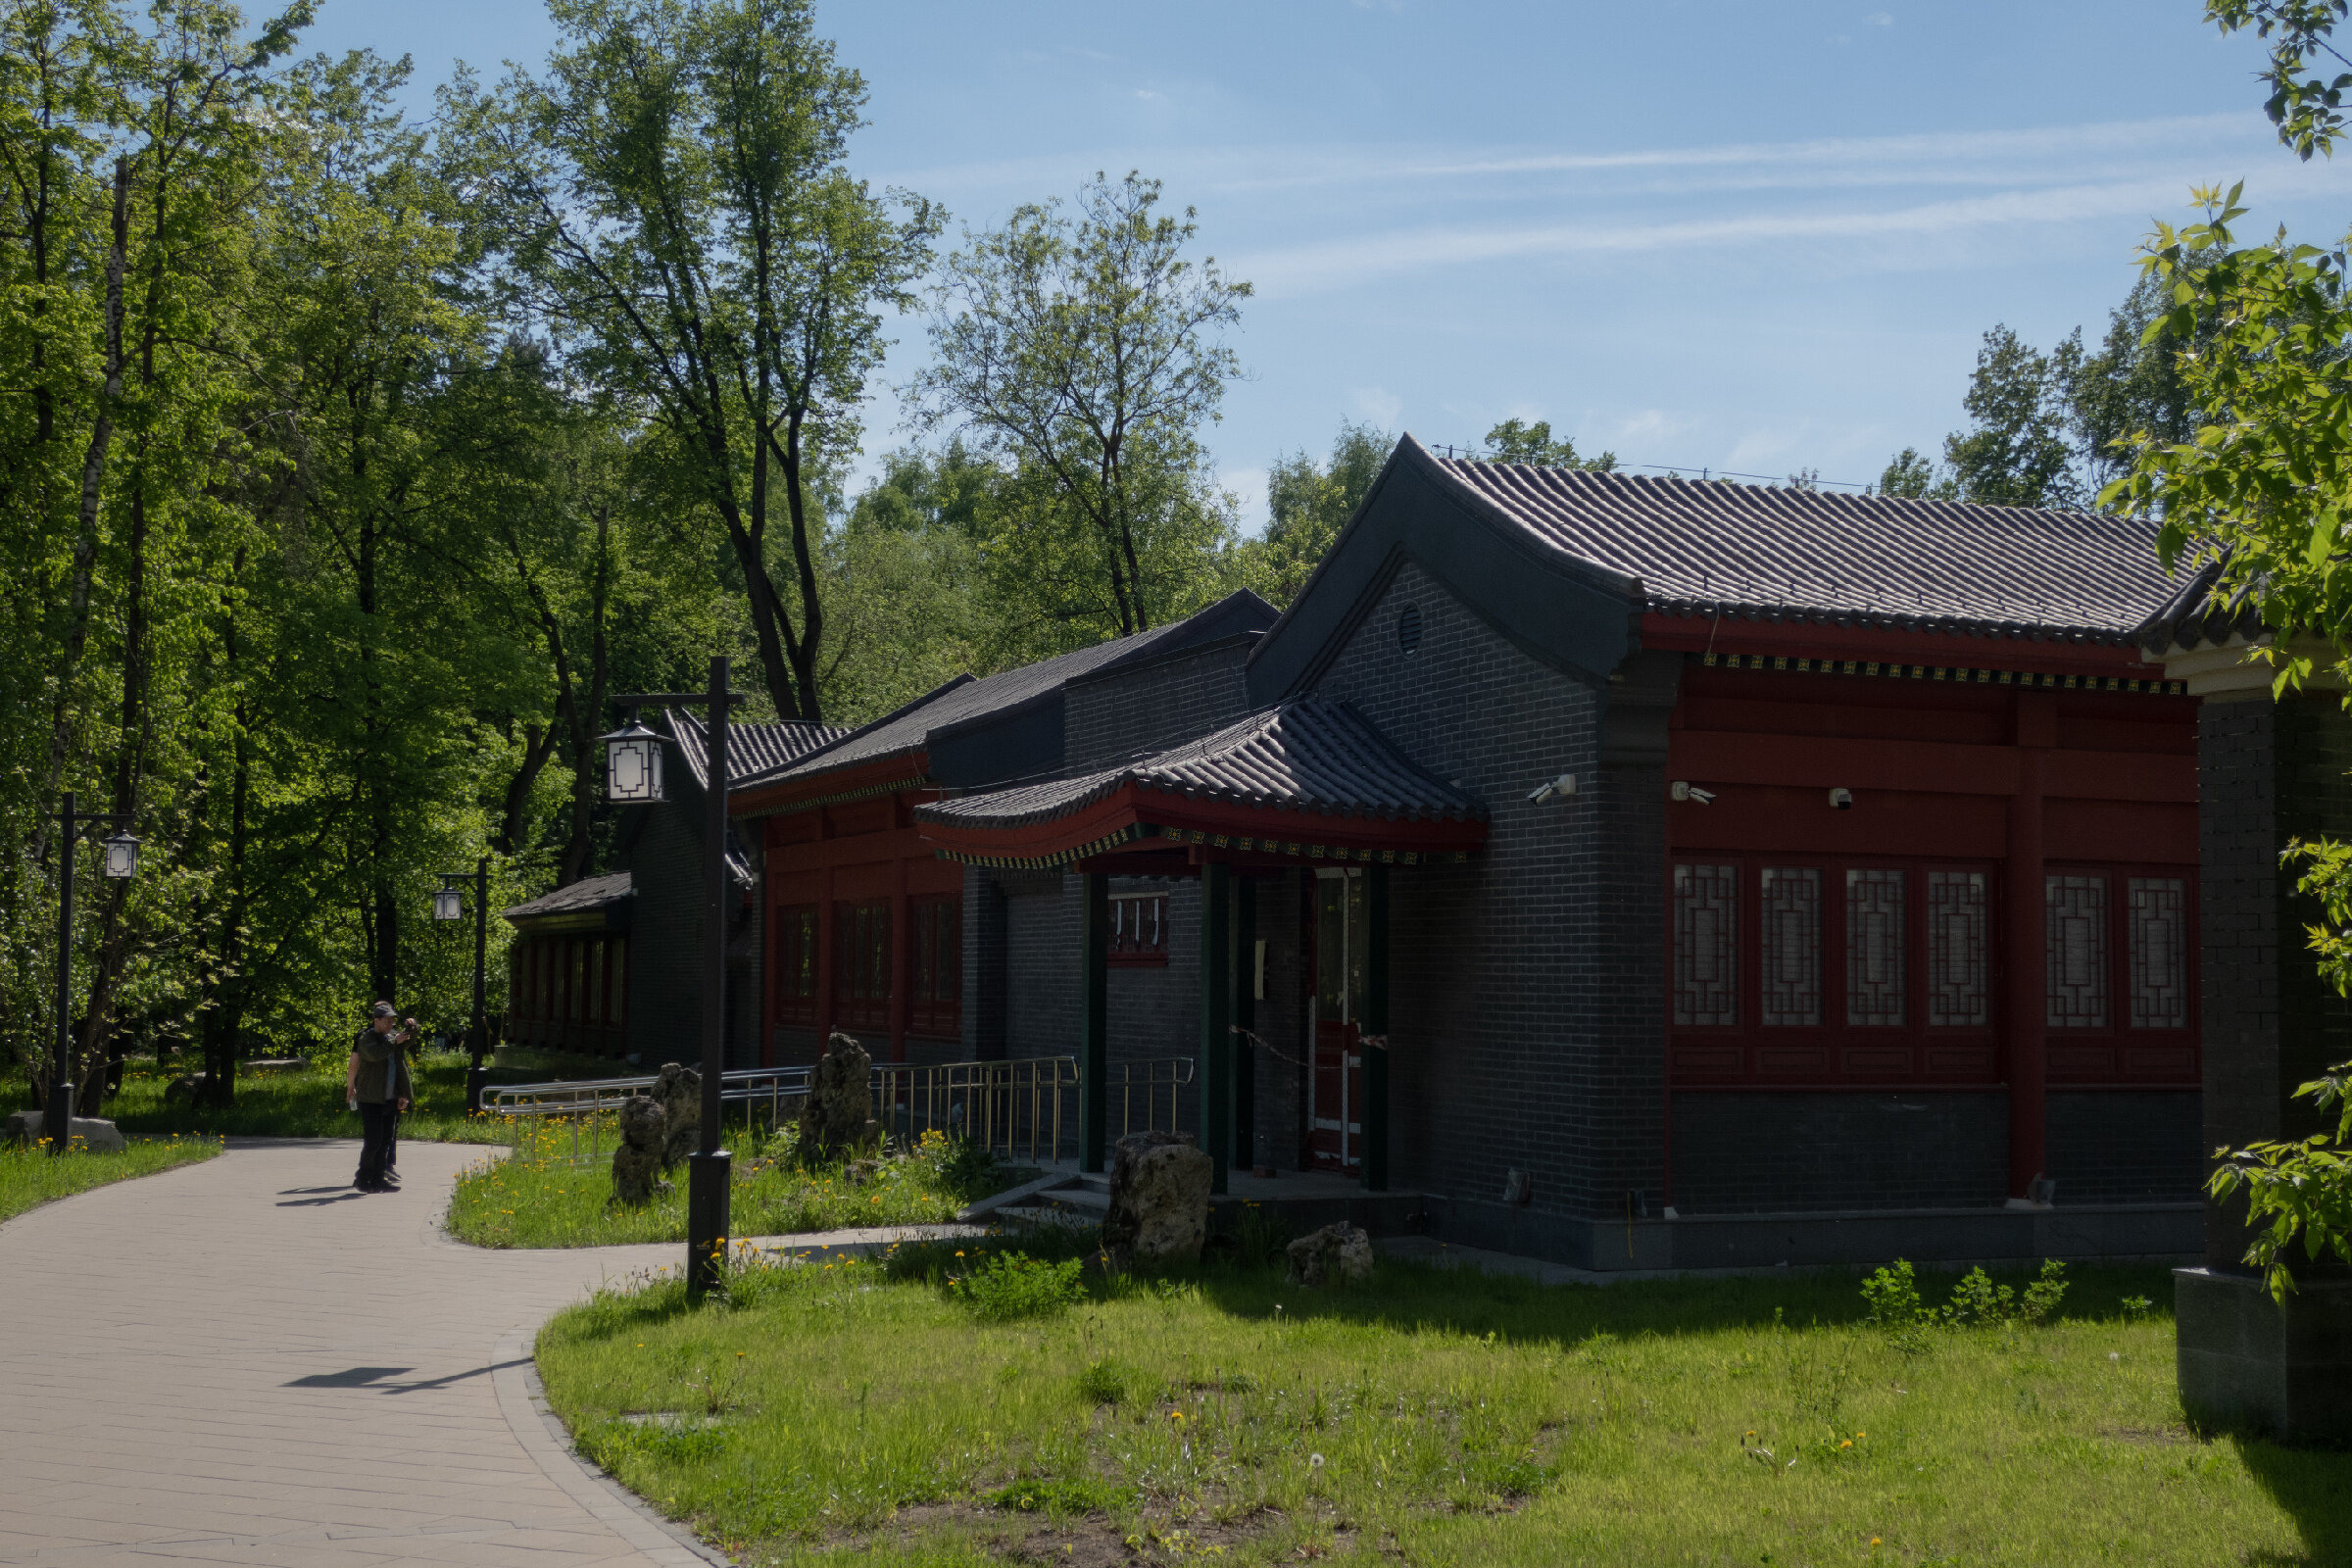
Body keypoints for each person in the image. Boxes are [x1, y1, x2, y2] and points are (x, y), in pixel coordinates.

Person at [346, 1003, 415, 1193]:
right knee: (373, 1140)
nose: (391, 1024)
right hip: (371, 1098)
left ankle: (378, 1178)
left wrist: (412, 1028)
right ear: (376, 1021)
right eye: (387, 1020)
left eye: (393, 1020)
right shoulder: (366, 1038)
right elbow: (375, 1054)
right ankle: (363, 1177)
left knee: (385, 1140)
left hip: (390, 1097)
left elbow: (406, 1043)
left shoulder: (392, 1037)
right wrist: (350, 1086)